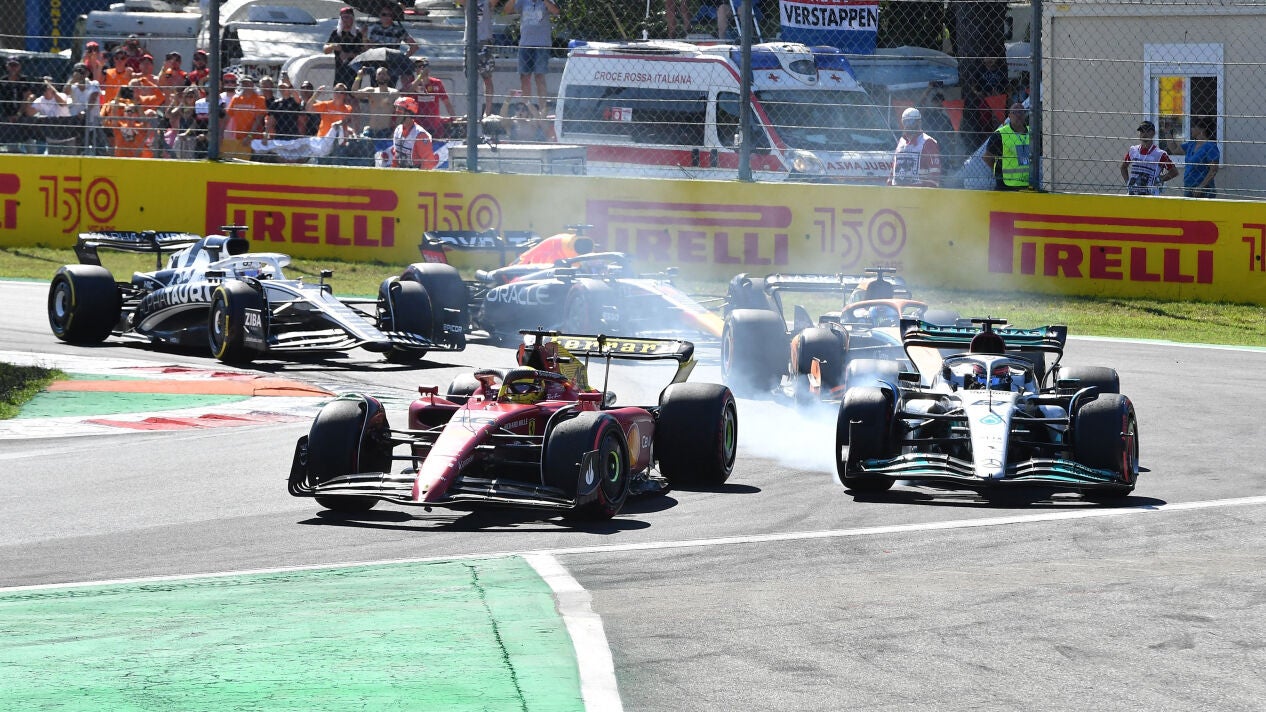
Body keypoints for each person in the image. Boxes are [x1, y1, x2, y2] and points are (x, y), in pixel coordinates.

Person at [503, 0, 559, 113]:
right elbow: (506, 11)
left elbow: (556, 12)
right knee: (524, 77)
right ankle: (527, 108)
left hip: (542, 44)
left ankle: (542, 110)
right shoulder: (522, 2)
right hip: (525, 44)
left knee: (539, 77)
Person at [1120, 120, 1177, 196]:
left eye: (1147, 131)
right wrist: (1128, 183)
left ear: (1153, 133)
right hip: (1133, 194)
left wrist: (1160, 179)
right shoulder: (1133, 150)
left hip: (1151, 195)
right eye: (1142, 131)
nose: (1144, 134)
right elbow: (1123, 167)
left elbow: (1174, 172)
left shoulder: (1160, 154)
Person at [983, 103, 1032, 190]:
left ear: (1025, 115)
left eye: (1021, 112)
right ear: (1009, 116)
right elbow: (987, 158)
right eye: (1015, 112)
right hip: (1006, 186)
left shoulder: (1032, 132)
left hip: (1029, 184)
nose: (1018, 115)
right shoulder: (1000, 134)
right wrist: (998, 173)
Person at [1166, 119, 1220, 198]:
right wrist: (1167, 133)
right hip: (1189, 187)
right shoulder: (1191, 145)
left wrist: (1201, 186)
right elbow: (1174, 150)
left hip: (1203, 190)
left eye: (1194, 127)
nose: (1191, 129)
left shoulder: (1210, 146)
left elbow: (1213, 170)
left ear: (1202, 129)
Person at [889, 107, 941, 187]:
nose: (907, 125)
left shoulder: (928, 142)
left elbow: (934, 175)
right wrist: (889, 184)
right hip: (898, 191)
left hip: (918, 191)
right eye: (905, 122)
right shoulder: (901, 141)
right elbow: (894, 168)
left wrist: (926, 191)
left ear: (919, 122)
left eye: (911, 121)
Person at [463, 0, 499, 117]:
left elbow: (494, 3)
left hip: (484, 41)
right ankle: (471, 112)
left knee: (487, 78)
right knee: (470, 78)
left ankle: (487, 112)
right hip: (469, 41)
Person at [388, 96, 441, 169]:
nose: (396, 113)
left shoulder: (420, 135)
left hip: (416, 172)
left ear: (409, 113)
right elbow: (396, 156)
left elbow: (428, 163)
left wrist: (416, 176)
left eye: (400, 109)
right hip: (402, 171)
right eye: (396, 109)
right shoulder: (398, 130)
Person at [408, 56, 453, 140]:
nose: (421, 69)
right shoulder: (414, 84)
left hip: (434, 124)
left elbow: (446, 102)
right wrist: (420, 77)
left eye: (423, 66)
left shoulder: (437, 83)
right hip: (418, 124)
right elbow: (409, 91)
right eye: (418, 67)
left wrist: (454, 117)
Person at [222, 75, 266, 159]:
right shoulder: (236, 99)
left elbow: (258, 120)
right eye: (244, 83)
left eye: (248, 83)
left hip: (255, 139)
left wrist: (249, 136)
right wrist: (220, 134)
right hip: (239, 138)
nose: (246, 86)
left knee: (253, 161)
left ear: (252, 85)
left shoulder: (260, 99)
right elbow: (227, 117)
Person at [64, 63, 103, 154]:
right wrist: (72, 79)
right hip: (77, 124)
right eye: (78, 71)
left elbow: (93, 99)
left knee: (98, 150)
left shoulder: (94, 84)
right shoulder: (73, 86)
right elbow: (65, 92)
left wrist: (85, 112)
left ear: (87, 73)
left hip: (93, 123)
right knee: (78, 150)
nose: (80, 74)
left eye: (82, 71)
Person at [324, 6, 366, 90]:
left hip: (354, 71)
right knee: (338, 94)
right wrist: (333, 46)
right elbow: (325, 50)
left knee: (353, 94)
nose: (345, 20)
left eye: (347, 17)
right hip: (339, 72)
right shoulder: (336, 33)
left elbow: (363, 53)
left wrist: (348, 55)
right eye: (343, 17)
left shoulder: (358, 33)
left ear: (352, 18)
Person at [354, 65, 398, 140]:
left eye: (384, 74)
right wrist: (358, 77)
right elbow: (354, 93)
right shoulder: (371, 91)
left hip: (386, 131)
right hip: (371, 130)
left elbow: (401, 113)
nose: (381, 76)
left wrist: (395, 131)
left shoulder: (394, 93)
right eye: (379, 74)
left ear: (388, 77)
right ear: (376, 77)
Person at [917, 82, 957, 159]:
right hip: (927, 146)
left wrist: (952, 153)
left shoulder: (945, 118)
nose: (938, 104)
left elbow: (952, 137)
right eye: (936, 102)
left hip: (940, 149)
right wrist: (929, 89)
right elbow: (920, 105)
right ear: (933, 102)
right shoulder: (928, 114)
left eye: (940, 102)